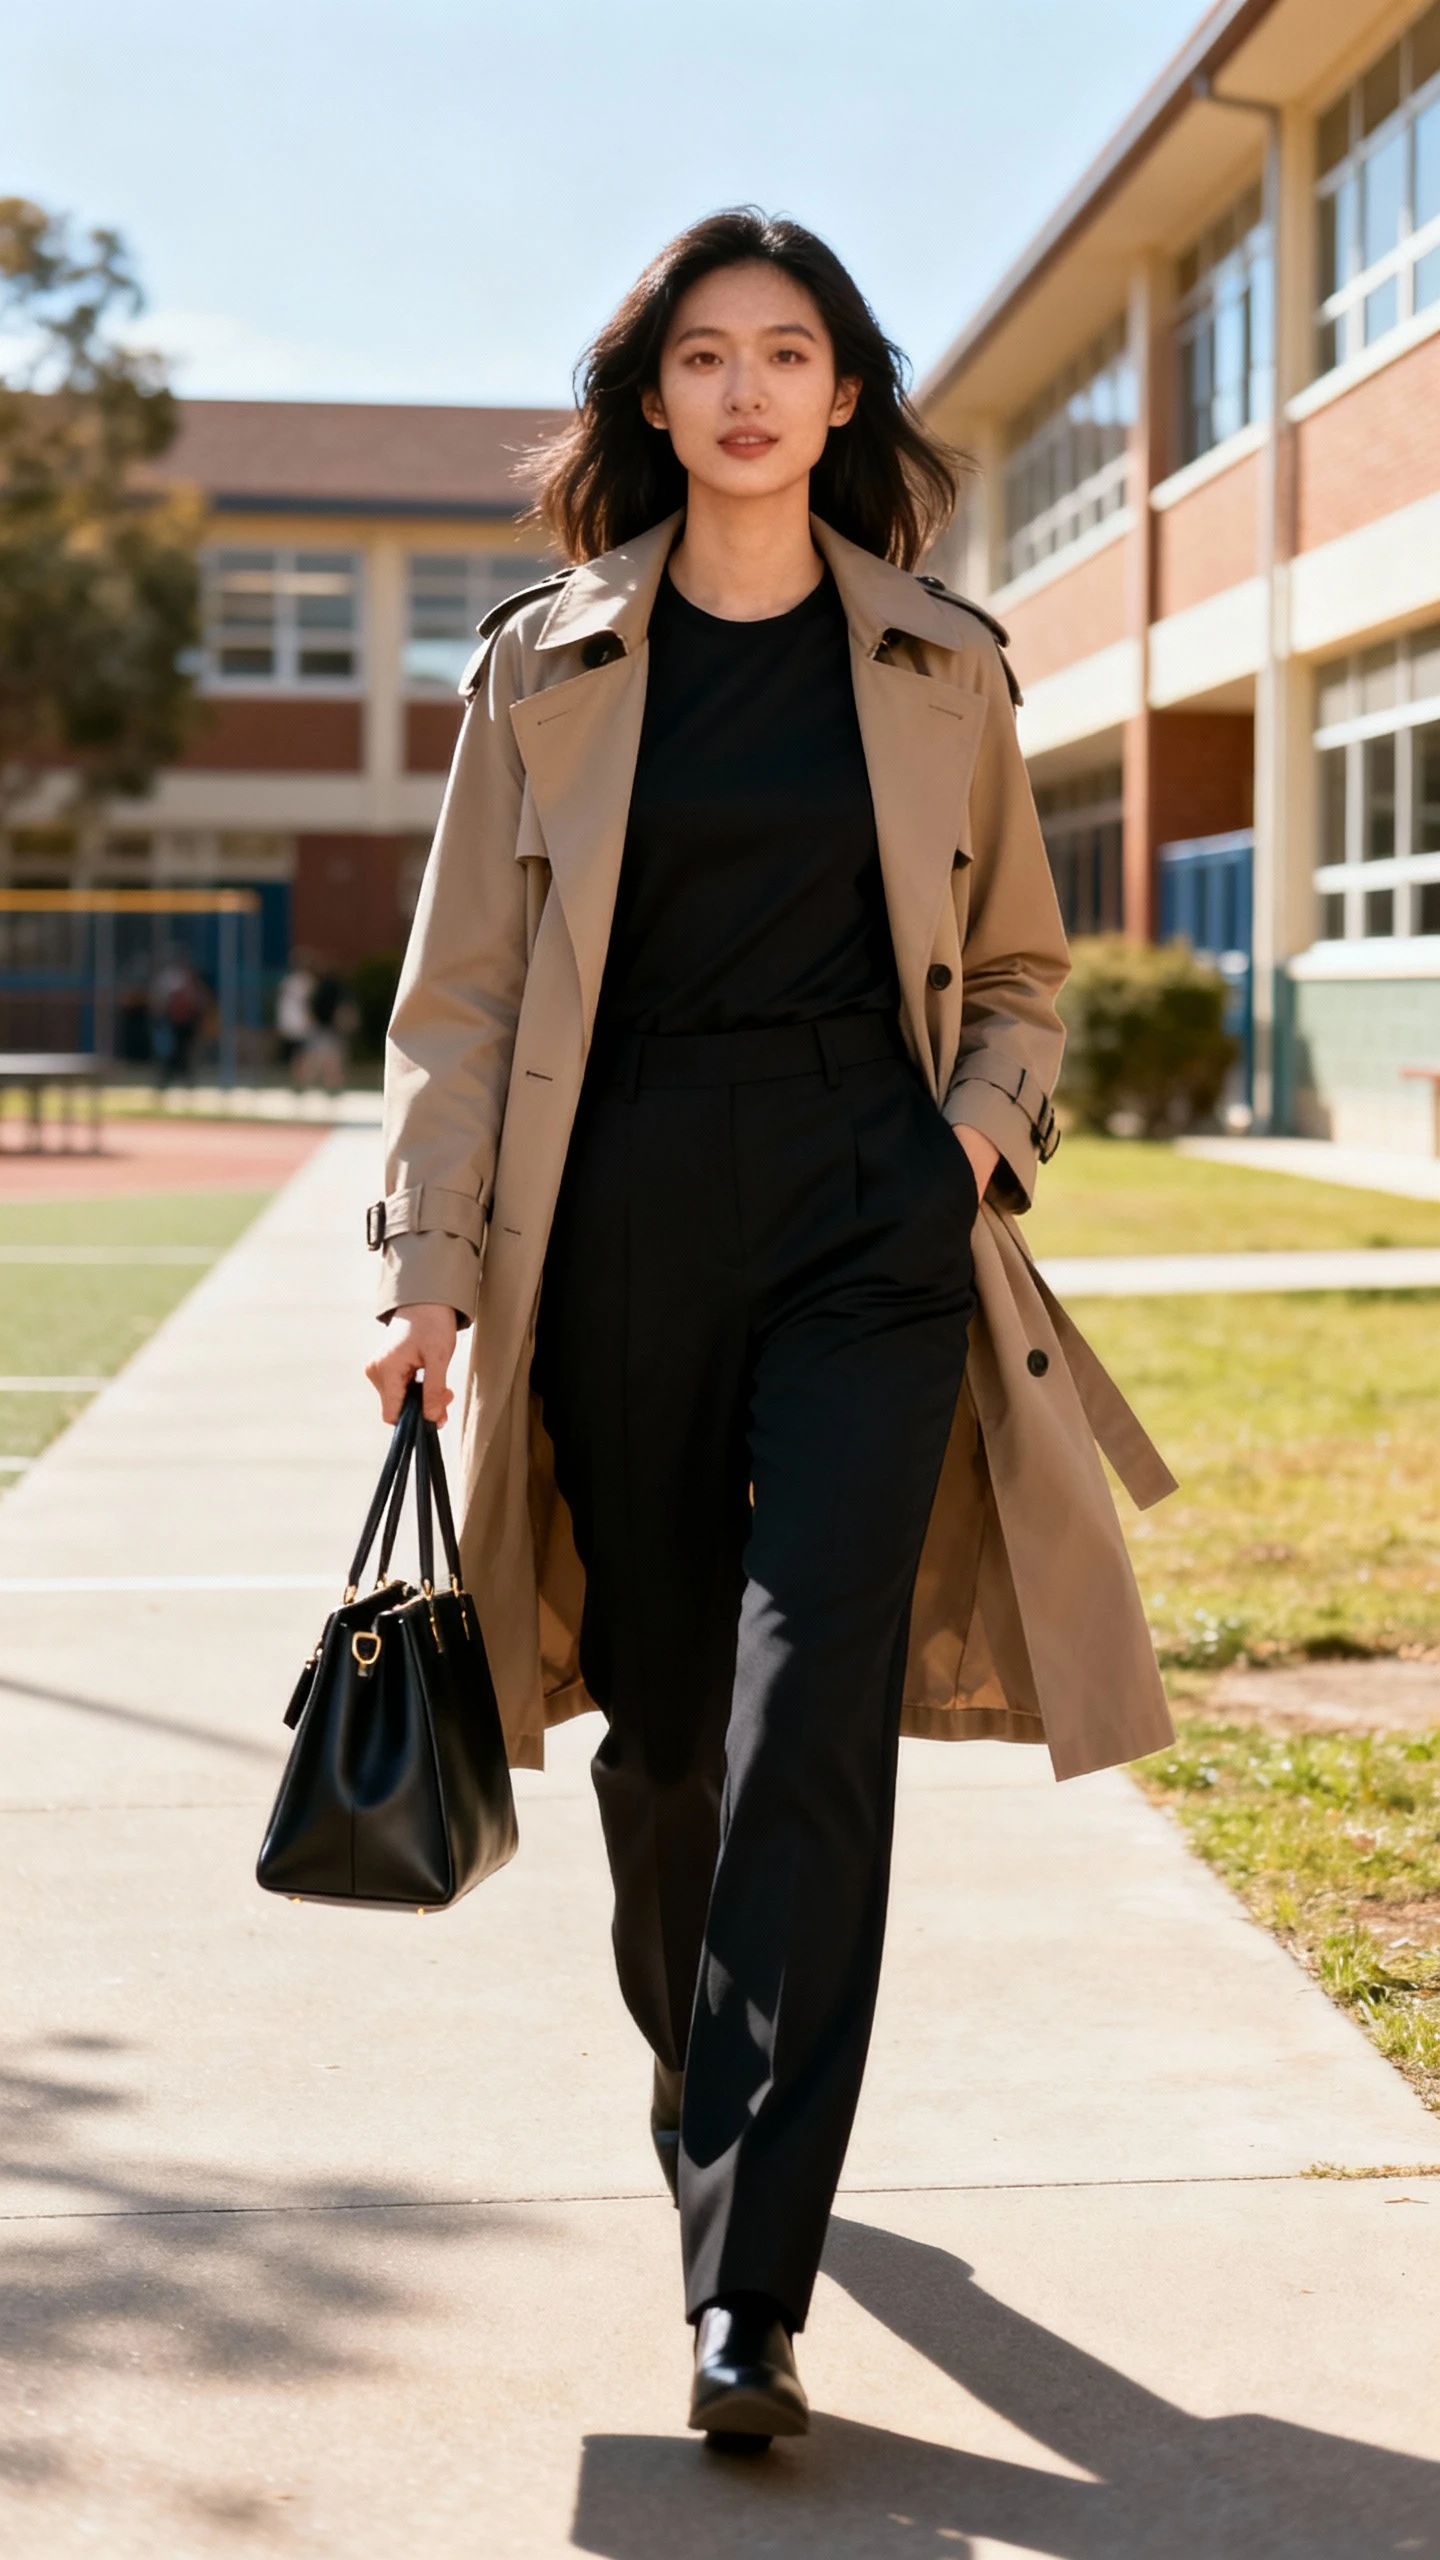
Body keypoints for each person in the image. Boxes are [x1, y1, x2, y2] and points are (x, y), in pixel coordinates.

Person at [365, 210, 1175, 2450]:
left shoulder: (944, 661)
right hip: (614, 1208)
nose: (744, 390)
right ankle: (704, 2080)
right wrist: (427, 1272)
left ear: (844, 394)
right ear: (649, 398)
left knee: (812, 1695)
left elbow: (1020, 968)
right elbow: (459, 1002)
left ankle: (751, 2275)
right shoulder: (543, 666)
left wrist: (972, 1152)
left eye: (787, 352)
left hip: (867, 1217)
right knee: (663, 1742)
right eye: (701, 355)